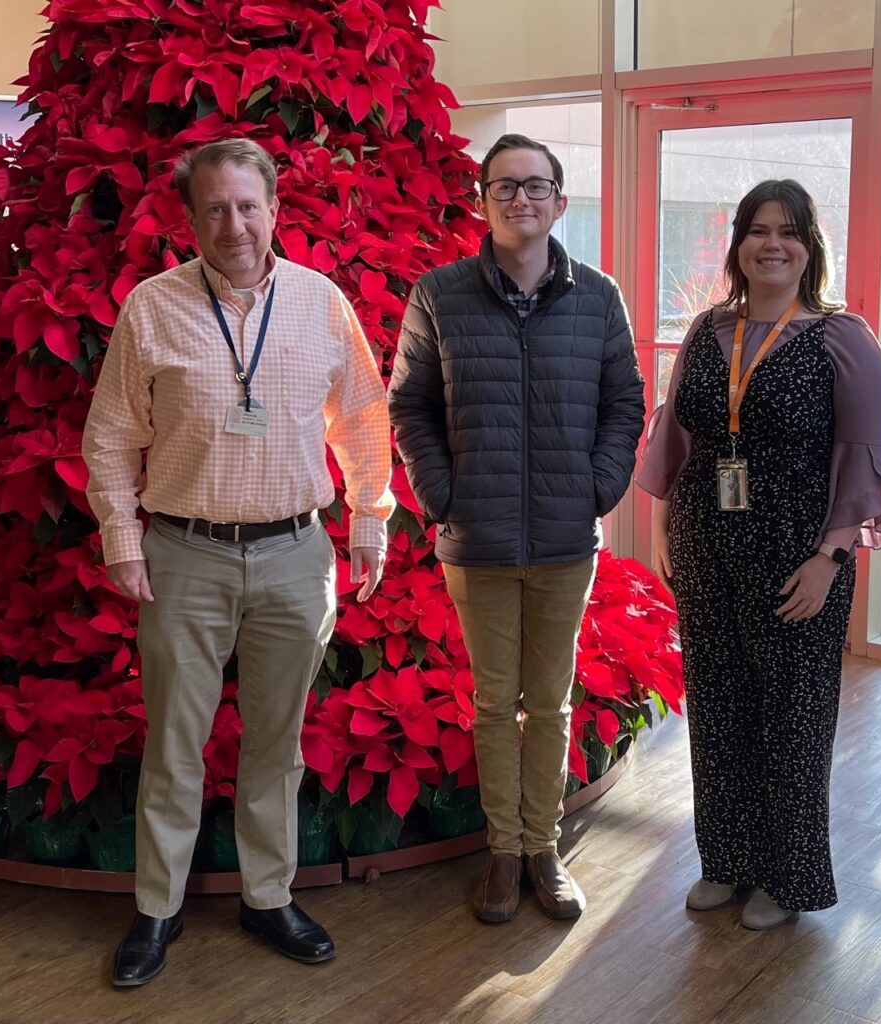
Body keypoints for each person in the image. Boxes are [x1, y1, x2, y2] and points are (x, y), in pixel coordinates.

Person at [82, 138, 395, 986]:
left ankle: (268, 893)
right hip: (185, 555)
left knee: (277, 743)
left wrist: (369, 520)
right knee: (175, 745)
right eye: (215, 208)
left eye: (247, 206)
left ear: (274, 211)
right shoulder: (152, 309)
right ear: (191, 220)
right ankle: (157, 907)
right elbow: (110, 436)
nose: (233, 224)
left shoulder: (320, 303)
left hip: (296, 554)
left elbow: (364, 418)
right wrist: (122, 536)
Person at [637, 179, 881, 929]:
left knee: (791, 718)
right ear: (739, 243)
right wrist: (664, 531)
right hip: (704, 544)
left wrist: (830, 558)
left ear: (809, 246)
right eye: (758, 230)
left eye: (788, 231)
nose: (772, 244)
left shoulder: (840, 336)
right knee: (718, 710)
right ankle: (725, 862)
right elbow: (679, 437)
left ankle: (785, 881)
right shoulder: (705, 331)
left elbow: (862, 455)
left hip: (797, 555)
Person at [388, 134, 644, 924]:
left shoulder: (598, 296)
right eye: (505, 187)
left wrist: (598, 489)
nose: (521, 200)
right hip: (480, 539)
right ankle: (504, 852)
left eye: (537, 187)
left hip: (567, 541)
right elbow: (411, 406)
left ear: (560, 203)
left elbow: (625, 403)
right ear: (482, 201)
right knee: (496, 705)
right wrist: (443, 494)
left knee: (554, 702)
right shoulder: (439, 294)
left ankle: (544, 846)